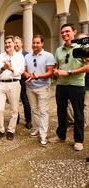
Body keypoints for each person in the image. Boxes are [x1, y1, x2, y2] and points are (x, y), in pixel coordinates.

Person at [50, 23, 89, 151]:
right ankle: (60, 136)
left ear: (74, 32)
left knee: (78, 113)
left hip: (76, 85)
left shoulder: (82, 47)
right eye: (62, 32)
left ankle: (78, 140)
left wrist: (68, 72)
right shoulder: (58, 50)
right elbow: (56, 65)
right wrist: (56, 71)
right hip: (61, 85)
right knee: (61, 112)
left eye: (67, 31)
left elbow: (88, 67)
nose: (64, 34)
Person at [23, 35, 55, 146]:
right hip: (30, 87)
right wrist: (28, 75)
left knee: (43, 111)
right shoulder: (27, 56)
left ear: (42, 44)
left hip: (43, 87)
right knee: (34, 110)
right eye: (33, 43)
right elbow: (24, 70)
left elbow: (50, 72)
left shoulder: (48, 56)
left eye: (37, 43)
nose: (35, 45)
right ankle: (37, 128)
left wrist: (36, 76)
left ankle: (43, 134)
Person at [0, 35, 25, 141]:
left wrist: (10, 68)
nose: (7, 45)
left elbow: (20, 71)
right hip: (0, 84)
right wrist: (3, 68)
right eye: (6, 43)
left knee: (14, 110)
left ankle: (11, 130)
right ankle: (0, 130)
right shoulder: (0, 56)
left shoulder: (19, 56)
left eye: (9, 43)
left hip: (14, 84)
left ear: (14, 44)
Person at [14, 36, 32, 129]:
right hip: (14, 81)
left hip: (24, 81)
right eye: (15, 42)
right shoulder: (11, 55)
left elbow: (29, 68)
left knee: (26, 101)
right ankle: (15, 118)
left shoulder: (27, 55)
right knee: (14, 101)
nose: (16, 44)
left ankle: (28, 120)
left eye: (17, 42)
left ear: (22, 44)